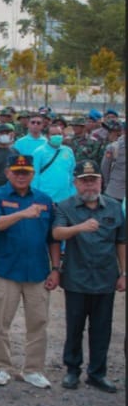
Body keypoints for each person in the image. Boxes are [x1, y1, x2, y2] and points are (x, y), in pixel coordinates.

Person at [0, 153, 59, 388]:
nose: (20, 176)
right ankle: (1, 367)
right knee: (1, 322)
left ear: (32, 174)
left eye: (25, 172)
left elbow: (53, 239)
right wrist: (22, 214)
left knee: (38, 322)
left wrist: (55, 268)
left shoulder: (44, 200)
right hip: (6, 269)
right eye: (16, 172)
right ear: (8, 173)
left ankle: (33, 369)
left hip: (37, 271)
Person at [51, 160, 126, 393]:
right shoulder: (65, 206)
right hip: (76, 276)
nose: (89, 186)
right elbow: (56, 233)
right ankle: (72, 370)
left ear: (101, 182)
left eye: (93, 181)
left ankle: (97, 373)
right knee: (74, 327)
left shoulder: (114, 207)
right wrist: (79, 228)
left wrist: (124, 273)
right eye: (84, 182)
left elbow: (121, 242)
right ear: (75, 184)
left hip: (105, 277)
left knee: (102, 328)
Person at [32, 122, 76, 204]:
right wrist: (36, 197)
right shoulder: (39, 152)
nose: (57, 136)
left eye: (59, 134)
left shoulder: (68, 151)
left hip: (65, 199)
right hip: (45, 198)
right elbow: (34, 176)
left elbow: (72, 173)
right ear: (47, 136)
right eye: (53, 134)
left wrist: (72, 193)